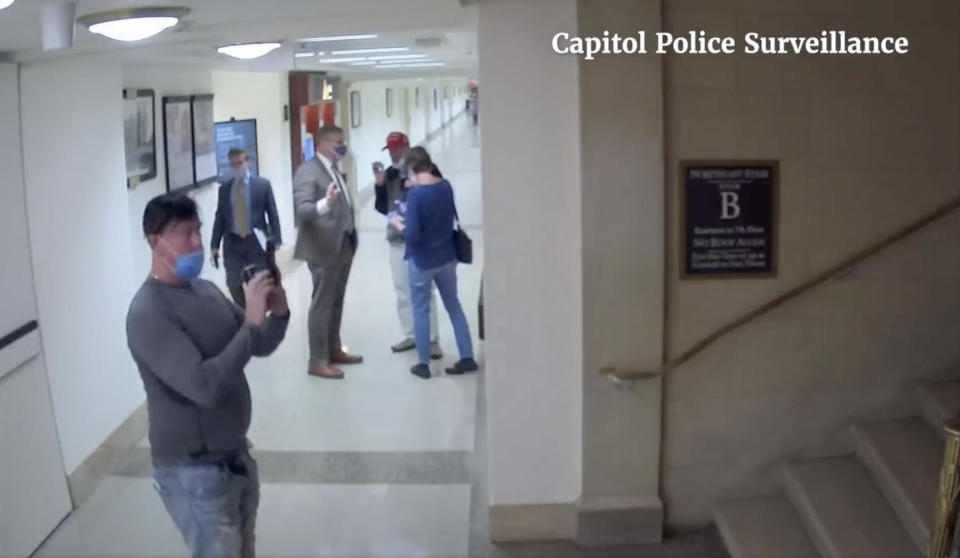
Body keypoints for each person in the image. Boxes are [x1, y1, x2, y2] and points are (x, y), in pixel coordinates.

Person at [126, 194, 290, 558]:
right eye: (185, 234)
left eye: (198, 231)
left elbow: (257, 344)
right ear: (156, 242)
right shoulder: (148, 313)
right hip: (193, 472)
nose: (198, 243)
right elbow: (203, 387)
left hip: (235, 455)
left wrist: (276, 313)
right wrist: (250, 323)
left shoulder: (205, 290)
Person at [389, 147, 478, 379]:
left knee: (421, 310)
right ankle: (467, 357)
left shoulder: (418, 196)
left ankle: (423, 364)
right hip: (447, 257)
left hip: (422, 261)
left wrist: (398, 225)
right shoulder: (445, 186)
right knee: (454, 307)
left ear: (412, 169)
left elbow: (413, 236)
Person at [293, 125, 363, 380]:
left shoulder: (332, 169)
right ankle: (317, 360)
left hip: (342, 244)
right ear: (322, 144)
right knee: (322, 304)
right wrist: (325, 204)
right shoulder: (307, 172)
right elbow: (303, 211)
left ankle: (334, 348)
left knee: (336, 301)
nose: (342, 146)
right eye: (337, 142)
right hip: (322, 248)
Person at [374, 131, 442, 358]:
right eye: (390, 150)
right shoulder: (391, 174)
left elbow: (437, 199)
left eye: (397, 149)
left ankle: (432, 339)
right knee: (402, 290)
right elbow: (384, 208)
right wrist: (380, 186)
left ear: (407, 148)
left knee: (424, 290)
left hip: (421, 240)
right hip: (396, 239)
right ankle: (411, 334)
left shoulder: (427, 170)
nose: (393, 154)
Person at [210, 148, 282, 307]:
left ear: (247, 161)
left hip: (255, 240)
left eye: (240, 163)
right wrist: (214, 245)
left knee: (261, 281)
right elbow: (219, 218)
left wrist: (277, 239)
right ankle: (246, 312)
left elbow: (272, 212)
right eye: (233, 165)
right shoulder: (224, 190)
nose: (237, 167)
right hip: (233, 241)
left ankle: (261, 311)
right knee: (233, 283)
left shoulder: (262, 185)